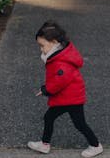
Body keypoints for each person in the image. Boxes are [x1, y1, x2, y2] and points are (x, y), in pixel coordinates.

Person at [27, 20, 103, 158]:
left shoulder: (61, 62)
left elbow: (59, 82)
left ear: (54, 42)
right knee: (49, 117)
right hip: (65, 97)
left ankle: (96, 145)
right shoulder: (59, 55)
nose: (41, 49)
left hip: (72, 99)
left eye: (42, 45)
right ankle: (45, 144)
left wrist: (45, 90)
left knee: (79, 124)